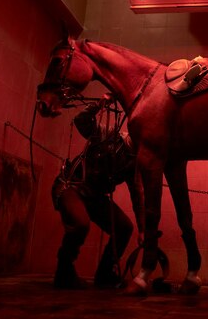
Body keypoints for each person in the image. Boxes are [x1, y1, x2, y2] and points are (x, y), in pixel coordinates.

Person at [51, 102, 144, 289]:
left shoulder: (135, 163)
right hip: (72, 185)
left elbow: (137, 196)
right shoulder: (108, 134)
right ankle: (64, 271)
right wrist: (100, 104)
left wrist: (143, 229)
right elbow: (81, 121)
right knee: (80, 223)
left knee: (124, 227)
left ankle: (105, 274)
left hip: (96, 197)